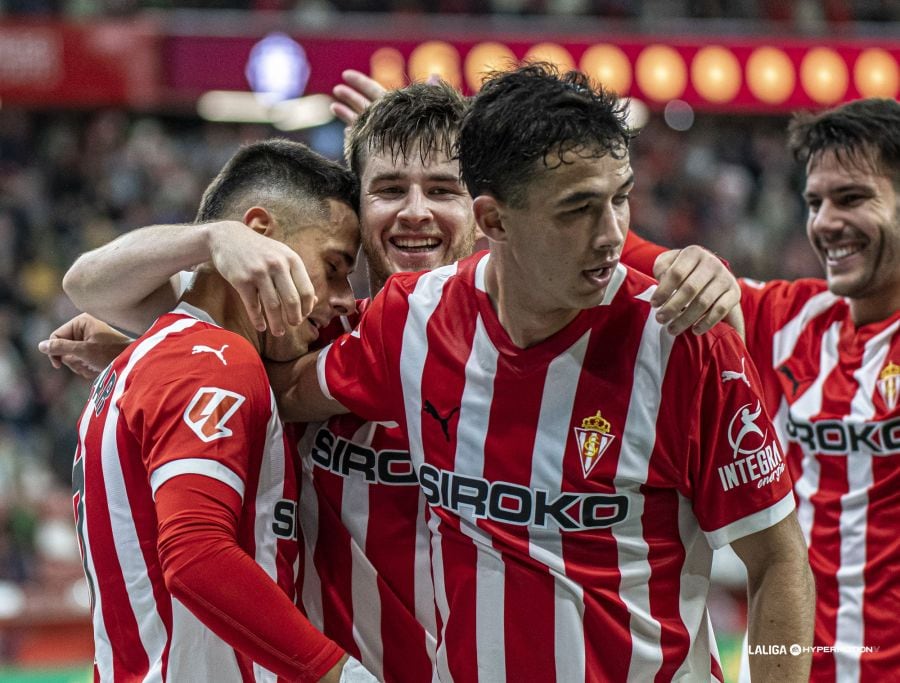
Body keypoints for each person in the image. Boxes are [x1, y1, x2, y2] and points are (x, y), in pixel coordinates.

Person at [273, 64, 815, 681]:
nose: (613, 235)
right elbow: (285, 389)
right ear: (494, 221)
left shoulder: (685, 343)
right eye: (578, 209)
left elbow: (777, 562)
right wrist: (199, 284)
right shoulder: (411, 320)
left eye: (620, 197)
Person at [67, 139, 375, 682]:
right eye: (333, 266)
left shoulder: (152, 353)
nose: (343, 296)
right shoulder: (214, 359)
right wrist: (339, 674)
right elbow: (196, 554)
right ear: (258, 236)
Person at [626, 97, 900, 682]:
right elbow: (615, 251)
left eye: (852, 198)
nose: (825, 222)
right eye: (814, 202)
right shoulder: (787, 317)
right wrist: (680, 259)